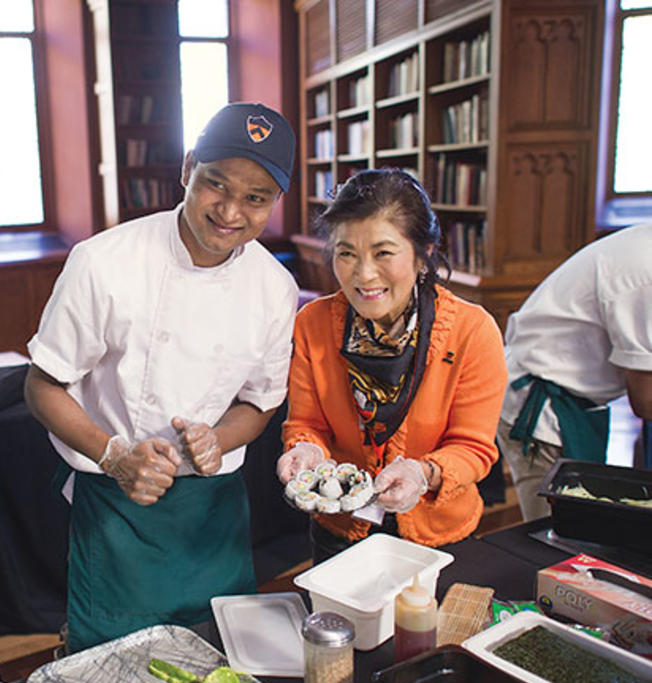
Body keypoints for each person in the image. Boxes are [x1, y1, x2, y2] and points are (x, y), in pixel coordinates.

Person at [25, 102, 299, 651]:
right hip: (116, 507)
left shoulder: (274, 288)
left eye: (256, 198)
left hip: (213, 512)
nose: (230, 211)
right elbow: (42, 386)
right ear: (187, 168)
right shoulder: (104, 262)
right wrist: (115, 455)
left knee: (223, 665)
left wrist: (217, 439)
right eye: (215, 185)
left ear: (274, 202)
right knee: (113, 667)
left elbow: (260, 403)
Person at [277, 169, 506, 563]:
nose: (364, 274)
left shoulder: (472, 331)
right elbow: (306, 424)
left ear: (423, 254)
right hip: (340, 530)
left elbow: (473, 448)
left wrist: (424, 473)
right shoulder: (312, 324)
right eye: (346, 253)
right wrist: (305, 452)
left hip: (437, 536)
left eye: (383, 253)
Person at [497, 224, 652, 520]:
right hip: (543, 408)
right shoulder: (646, 273)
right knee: (558, 535)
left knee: (585, 524)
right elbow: (645, 399)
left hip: (574, 398)